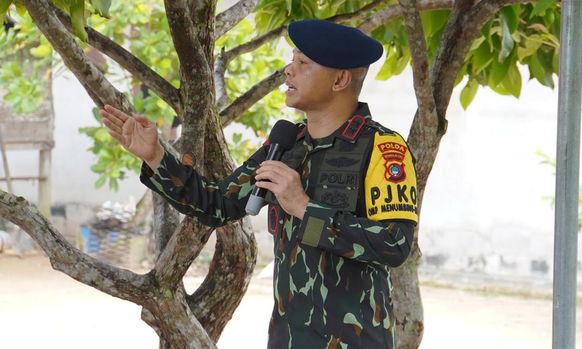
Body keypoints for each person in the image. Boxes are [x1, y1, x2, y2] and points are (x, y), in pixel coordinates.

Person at [101, 19, 418, 349]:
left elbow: (395, 244)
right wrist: (156, 157)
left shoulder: (382, 149)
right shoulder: (285, 145)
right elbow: (216, 205)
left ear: (339, 79)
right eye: (292, 60)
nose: (288, 70)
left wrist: (306, 209)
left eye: (303, 64)